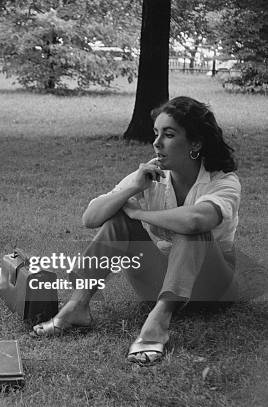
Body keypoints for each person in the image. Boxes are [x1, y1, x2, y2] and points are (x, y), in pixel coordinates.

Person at [33, 96, 240, 365]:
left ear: (195, 143)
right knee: (118, 222)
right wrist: (132, 189)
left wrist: (140, 213)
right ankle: (77, 307)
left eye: (168, 134)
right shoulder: (151, 174)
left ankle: (158, 323)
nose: (156, 143)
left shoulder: (223, 181)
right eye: (156, 133)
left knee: (191, 229)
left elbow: (195, 221)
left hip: (212, 290)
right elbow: (90, 218)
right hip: (165, 278)